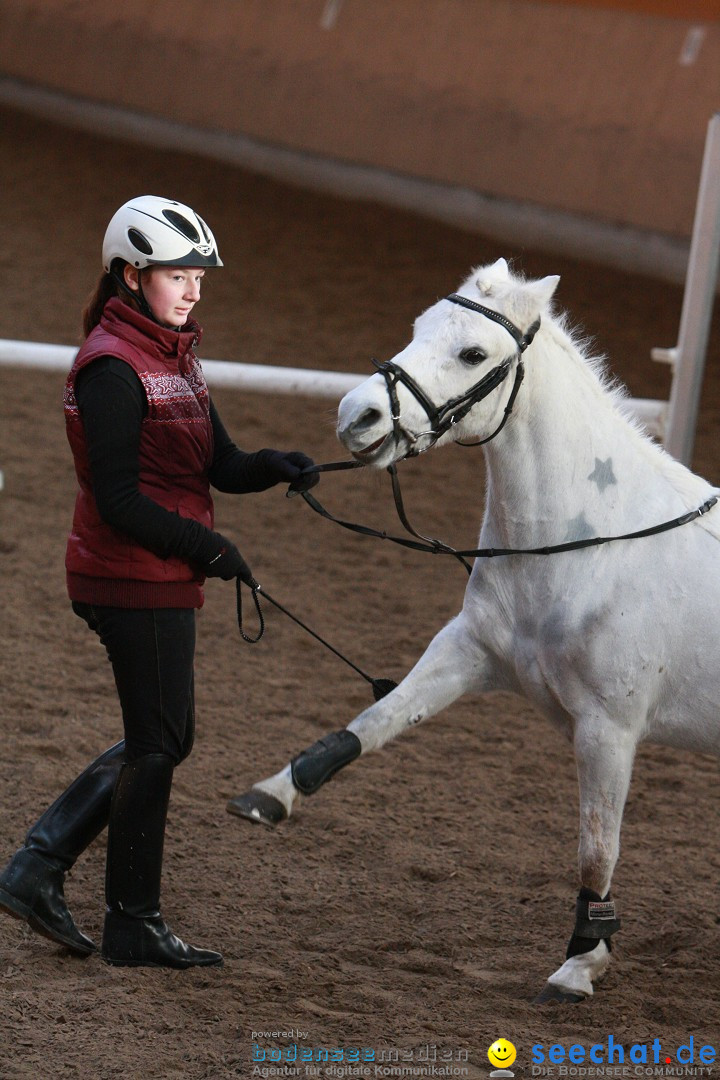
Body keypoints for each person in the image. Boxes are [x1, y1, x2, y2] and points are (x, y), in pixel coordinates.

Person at [0, 195, 318, 969]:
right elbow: (118, 500)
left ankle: (58, 880)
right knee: (160, 740)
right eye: (178, 275)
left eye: (197, 275)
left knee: (163, 738)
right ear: (132, 275)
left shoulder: (174, 355)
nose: (193, 289)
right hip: (126, 574)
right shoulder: (111, 367)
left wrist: (273, 467)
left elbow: (216, 464)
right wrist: (210, 547)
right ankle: (103, 904)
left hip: (160, 569)